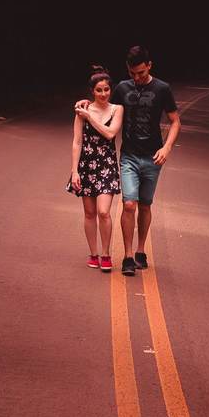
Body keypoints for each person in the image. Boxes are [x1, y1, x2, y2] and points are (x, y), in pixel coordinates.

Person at [75, 45, 179, 276]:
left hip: (153, 157)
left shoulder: (162, 88)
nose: (137, 77)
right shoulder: (123, 87)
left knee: (145, 205)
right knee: (129, 204)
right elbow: (103, 103)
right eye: (133, 73)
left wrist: (167, 147)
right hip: (129, 156)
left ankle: (141, 250)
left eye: (141, 72)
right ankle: (128, 256)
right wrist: (86, 102)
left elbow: (175, 121)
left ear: (149, 65)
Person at [67, 65, 124, 272]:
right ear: (92, 91)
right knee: (89, 213)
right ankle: (93, 253)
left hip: (107, 165)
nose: (103, 94)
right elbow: (77, 142)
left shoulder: (117, 109)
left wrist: (90, 117)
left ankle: (106, 254)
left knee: (103, 212)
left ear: (111, 89)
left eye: (106, 89)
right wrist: (74, 171)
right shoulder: (81, 111)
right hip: (86, 166)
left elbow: (110, 134)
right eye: (99, 90)